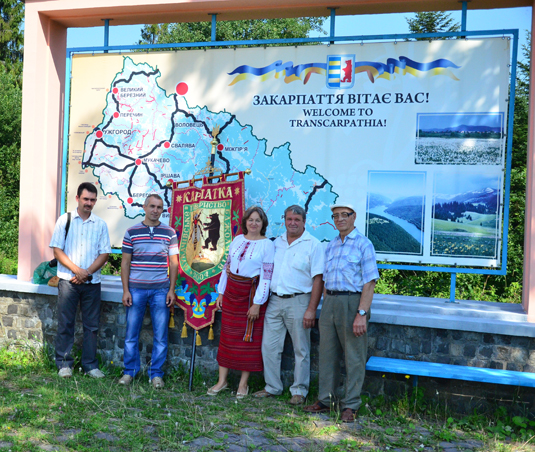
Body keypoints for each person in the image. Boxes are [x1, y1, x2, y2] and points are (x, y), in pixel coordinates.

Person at [304, 202, 379, 423]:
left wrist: (361, 313)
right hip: (330, 302)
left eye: (344, 215)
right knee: (327, 354)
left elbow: (369, 282)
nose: (340, 219)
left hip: (352, 303)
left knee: (354, 356)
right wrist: (326, 303)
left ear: (354, 217)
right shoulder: (332, 245)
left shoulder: (364, 245)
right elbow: (325, 278)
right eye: (335, 216)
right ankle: (326, 401)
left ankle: (351, 405)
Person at [253, 205, 324, 405]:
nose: (292, 223)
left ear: (304, 221)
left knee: (301, 349)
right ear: (284, 219)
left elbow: (318, 279)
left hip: (299, 301)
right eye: (289, 219)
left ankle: (299, 391)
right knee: (269, 347)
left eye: (297, 220)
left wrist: (311, 309)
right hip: (274, 300)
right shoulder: (275, 243)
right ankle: (272, 387)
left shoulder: (313, 245)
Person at [208, 206, 275, 399]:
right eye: (251, 220)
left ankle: (243, 384)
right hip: (231, 294)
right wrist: (221, 292)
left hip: (250, 295)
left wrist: (257, 303)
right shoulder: (237, 240)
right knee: (227, 337)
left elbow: (266, 276)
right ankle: (222, 381)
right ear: (245, 222)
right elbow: (226, 267)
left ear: (263, 224)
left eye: (258, 220)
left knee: (248, 340)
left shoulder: (267, 245)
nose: (254, 223)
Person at [50, 182, 111, 378]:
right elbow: (57, 250)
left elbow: (104, 254)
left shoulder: (100, 224)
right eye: (86, 199)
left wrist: (87, 273)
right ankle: (64, 364)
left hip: (92, 283)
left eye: (93, 200)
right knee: (66, 323)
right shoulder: (64, 220)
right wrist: (77, 271)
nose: (89, 203)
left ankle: (90, 366)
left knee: (91, 326)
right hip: (68, 281)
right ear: (77, 198)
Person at [119, 194, 179, 389]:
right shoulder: (131, 232)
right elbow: (125, 262)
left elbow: (174, 263)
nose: (155, 210)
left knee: (161, 335)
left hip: (160, 291)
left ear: (163, 210)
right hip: (135, 290)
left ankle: (156, 375)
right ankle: (129, 372)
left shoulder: (169, 233)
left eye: (159, 207)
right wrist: (126, 290)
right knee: (131, 333)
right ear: (144, 207)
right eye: (152, 206)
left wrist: (171, 290)